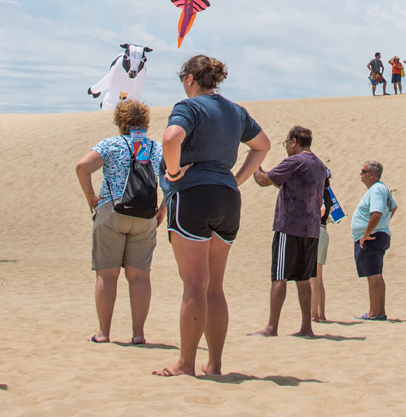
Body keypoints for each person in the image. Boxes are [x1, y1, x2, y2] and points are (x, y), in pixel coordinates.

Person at [154, 55, 271, 378]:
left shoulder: (188, 107)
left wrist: (174, 172)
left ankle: (185, 363)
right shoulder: (235, 111)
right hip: (227, 197)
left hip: (193, 194)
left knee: (194, 283)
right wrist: (236, 178)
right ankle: (215, 364)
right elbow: (262, 145)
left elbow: (170, 138)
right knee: (214, 286)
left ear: (190, 79)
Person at [75, 99, 166, 345]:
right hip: (145, 215)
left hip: (112, 211)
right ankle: (138, 334)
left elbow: (83, 166)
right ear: (145, 122)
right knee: (140, 277)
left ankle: (104, 333)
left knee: (107, 275)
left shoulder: (112, 144)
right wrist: (163, 210)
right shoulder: (155, 148)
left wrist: (91, 197)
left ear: (120, 122)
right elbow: (170, 179)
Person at [250, 125, 327, 337]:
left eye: (287, 144)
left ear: (294, 141)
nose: (286, 148)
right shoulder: (319, 165)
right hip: (311, 229)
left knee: (280, 276)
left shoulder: (295, 161)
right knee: (303, 279)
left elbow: (264, 180)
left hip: (290, 226)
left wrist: (254, 162)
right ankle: (306, 327)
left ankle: (271, 327)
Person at [352, 160, 397, 320]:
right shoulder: (381, 188)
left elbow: (376, 213)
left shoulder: (377, 189)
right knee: (375, 273)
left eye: (363, 171)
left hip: (373, 237)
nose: (361, 174)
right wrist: (383, 224)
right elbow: (393, 207)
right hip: (378, 234)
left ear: (372, 175)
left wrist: (367, 233)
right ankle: (378, 311)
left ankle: (374, 312)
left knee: (374, 274)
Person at [310, 168, 333, 322]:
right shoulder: (328, 193)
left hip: (316, 231)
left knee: (312, 277)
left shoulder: (319, 192)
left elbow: (322, 210)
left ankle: (313, 315)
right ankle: (321, 314)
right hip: (323, 231)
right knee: (319, 278)